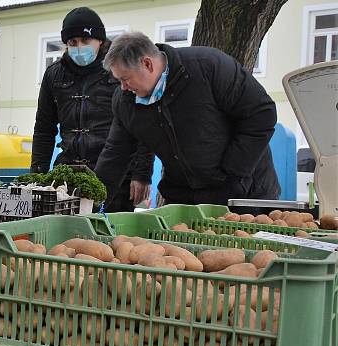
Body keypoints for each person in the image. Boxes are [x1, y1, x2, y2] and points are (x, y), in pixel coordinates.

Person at [94, 32, 280, 208]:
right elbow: (115, 154)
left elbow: (261, 113)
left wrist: (232, 171)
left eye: (125, 79)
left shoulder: (208, 66)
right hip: (185, 196)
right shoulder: (125, 101)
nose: (123, 87)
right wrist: (93, 204)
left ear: (147, 64)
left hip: (245, 194)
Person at [31, 7, 152, 211]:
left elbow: (141, 123)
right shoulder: (53, 75)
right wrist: (37, 174)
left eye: (85, 41)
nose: (79, 47)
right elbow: (44, 129)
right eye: (72, 43)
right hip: (68, 174)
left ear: (100, 42)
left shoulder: (119, 71)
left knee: (115, 238)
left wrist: (142, 173)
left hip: (118, 174)